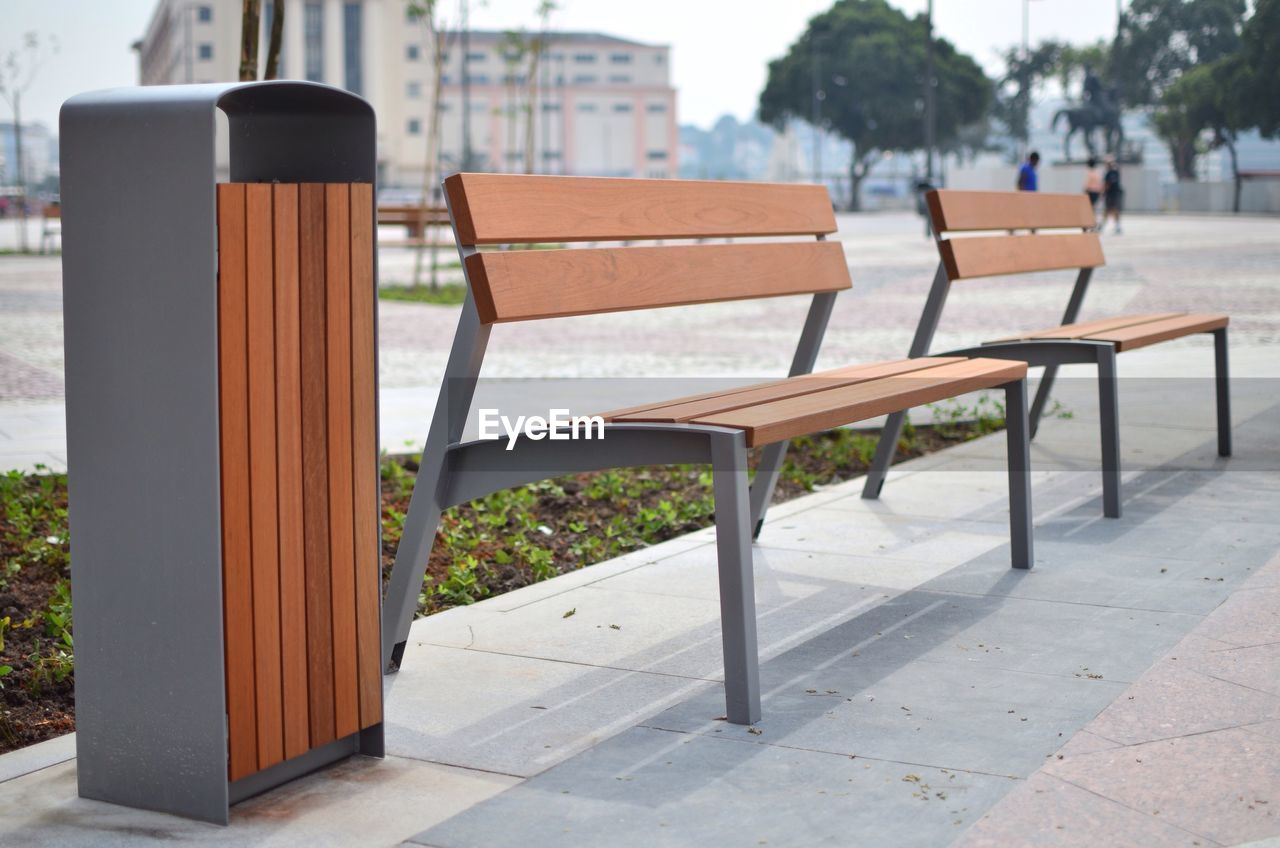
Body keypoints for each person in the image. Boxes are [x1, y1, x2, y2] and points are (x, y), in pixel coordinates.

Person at [1103, 155, 1123, 234]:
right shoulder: (1116, 172)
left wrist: (1103, 193)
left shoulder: (1110, 173)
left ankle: (1104, 225)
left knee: (1110, 209)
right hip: (1115, 193)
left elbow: (1107, 184)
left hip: (1111, 194)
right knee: (1113, 210)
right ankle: (1117, 226)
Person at [1083, 156, 1103, 227]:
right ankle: (1095, 221)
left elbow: (1087, 185)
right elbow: (1100, 184)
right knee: (1094, 208)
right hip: (1097, 193)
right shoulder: (1097, 173)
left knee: (1089, 209)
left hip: (1090, 192)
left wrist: (1084, 192)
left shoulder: (1090, 173)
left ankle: (1091, 222)